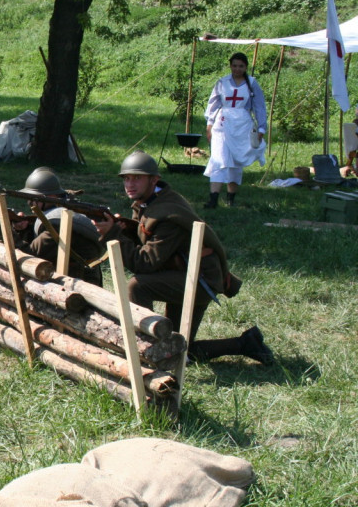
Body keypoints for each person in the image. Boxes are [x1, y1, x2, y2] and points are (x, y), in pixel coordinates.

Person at [93, 152, 273, 365]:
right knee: (175, 350)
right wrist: (120, 228)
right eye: (126, 178)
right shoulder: (149, 201)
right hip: (181, 273)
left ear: (154, 180)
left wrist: (113, 234)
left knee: (137, 287)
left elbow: (145, 264)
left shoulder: (167, 214)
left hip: (199, 280)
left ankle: (144, 348)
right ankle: (245, 344)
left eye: (137, 178)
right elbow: (144, 239)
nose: (129, 184)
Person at [0, 167, 104, 286]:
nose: (30, 204)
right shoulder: (59, 214)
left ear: (51, 198)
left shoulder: (56, 223)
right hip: (74, 279)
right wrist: (24, 230)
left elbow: (29, 256)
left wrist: (0, 227)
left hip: (80, 284)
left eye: (33, 200)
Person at [203, 52, 267, 208]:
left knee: (235, 162)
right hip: (223, 124)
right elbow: (213, 104)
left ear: (245, 67)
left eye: (241, 66)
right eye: (234, 66)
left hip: (242, 125)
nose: (237, 69)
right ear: (230, 66)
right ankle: (213, 199)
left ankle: (231, 198)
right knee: (219, 158)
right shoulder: (222, 82)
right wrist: (210, 124)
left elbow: (259, 107)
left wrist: (261, 128)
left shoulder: (252, 83)